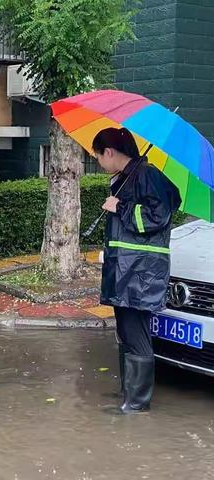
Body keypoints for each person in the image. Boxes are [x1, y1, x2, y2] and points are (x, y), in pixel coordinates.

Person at [92, 127, 181, 414]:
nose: (98, 163)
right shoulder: (126, 178)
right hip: (125, 270)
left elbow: (158, 216)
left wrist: (122, 207)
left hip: (140, 273)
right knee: (126, 331)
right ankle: (128, 392)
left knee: (137, 333)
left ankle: (137, 403)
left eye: (97, 157)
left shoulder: (148, 175)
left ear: (109, 152)